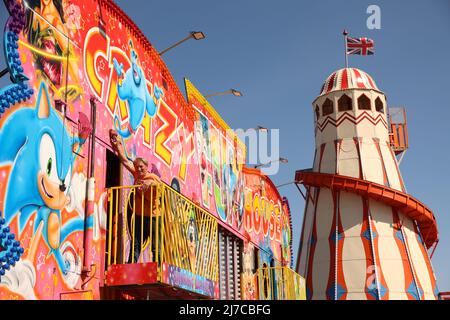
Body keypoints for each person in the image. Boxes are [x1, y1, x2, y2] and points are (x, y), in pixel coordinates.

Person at [109, 129, 161, 263]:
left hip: (153, 216)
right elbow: (125, 161)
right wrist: (118, 144)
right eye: (137, 167)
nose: (138, 169)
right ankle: (131, 263)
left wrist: (148, 185)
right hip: (139, 215)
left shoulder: (152, 176)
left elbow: (156, 184)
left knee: (155, 244)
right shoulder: (136, 175)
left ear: (146, 166)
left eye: (141, 166)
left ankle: (158, 266)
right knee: (136, 242)